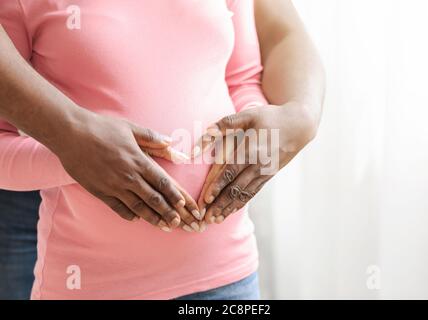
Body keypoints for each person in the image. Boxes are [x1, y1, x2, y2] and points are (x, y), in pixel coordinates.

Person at [0, 0, 324, 299]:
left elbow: (242, 79)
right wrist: (72, 158)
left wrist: (252, 140)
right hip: (93, 286)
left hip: (229, 279)